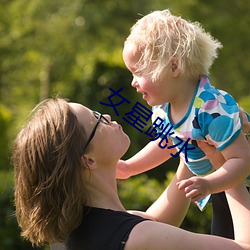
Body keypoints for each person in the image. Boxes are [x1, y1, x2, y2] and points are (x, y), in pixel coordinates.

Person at [13, 98, 250, 250]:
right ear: (88, 160)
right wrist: (226, 165)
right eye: (97, 120)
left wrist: (191, 140)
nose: (106, 116)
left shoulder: (72, 234)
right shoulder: (138, 238)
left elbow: (156, 221)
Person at [119, 9, 250, 239]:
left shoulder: (210, 109)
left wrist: (209, 184)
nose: (133, 82)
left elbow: (242, 160)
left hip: (239, 186)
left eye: (138, 72)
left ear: (173, 67)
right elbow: (167, 144)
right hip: (221, 189)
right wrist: (130, 167)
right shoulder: (163, 109)